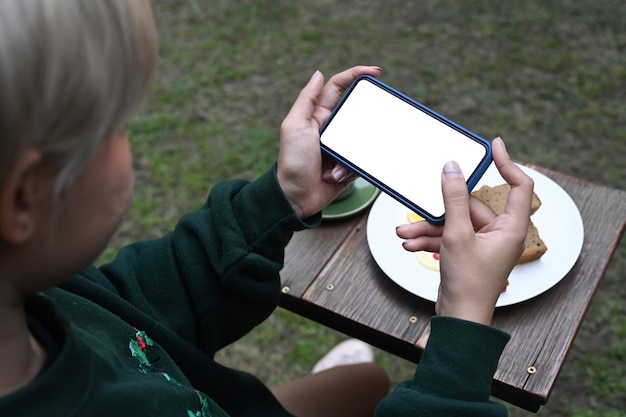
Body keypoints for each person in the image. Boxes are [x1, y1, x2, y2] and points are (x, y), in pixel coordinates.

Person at [0, 1, 533, 417]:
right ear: (26, 196)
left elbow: (134, 307)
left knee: (364, 382)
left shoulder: (36, 296)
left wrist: (282, 199)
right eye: (114, 126)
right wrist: (463, 324)